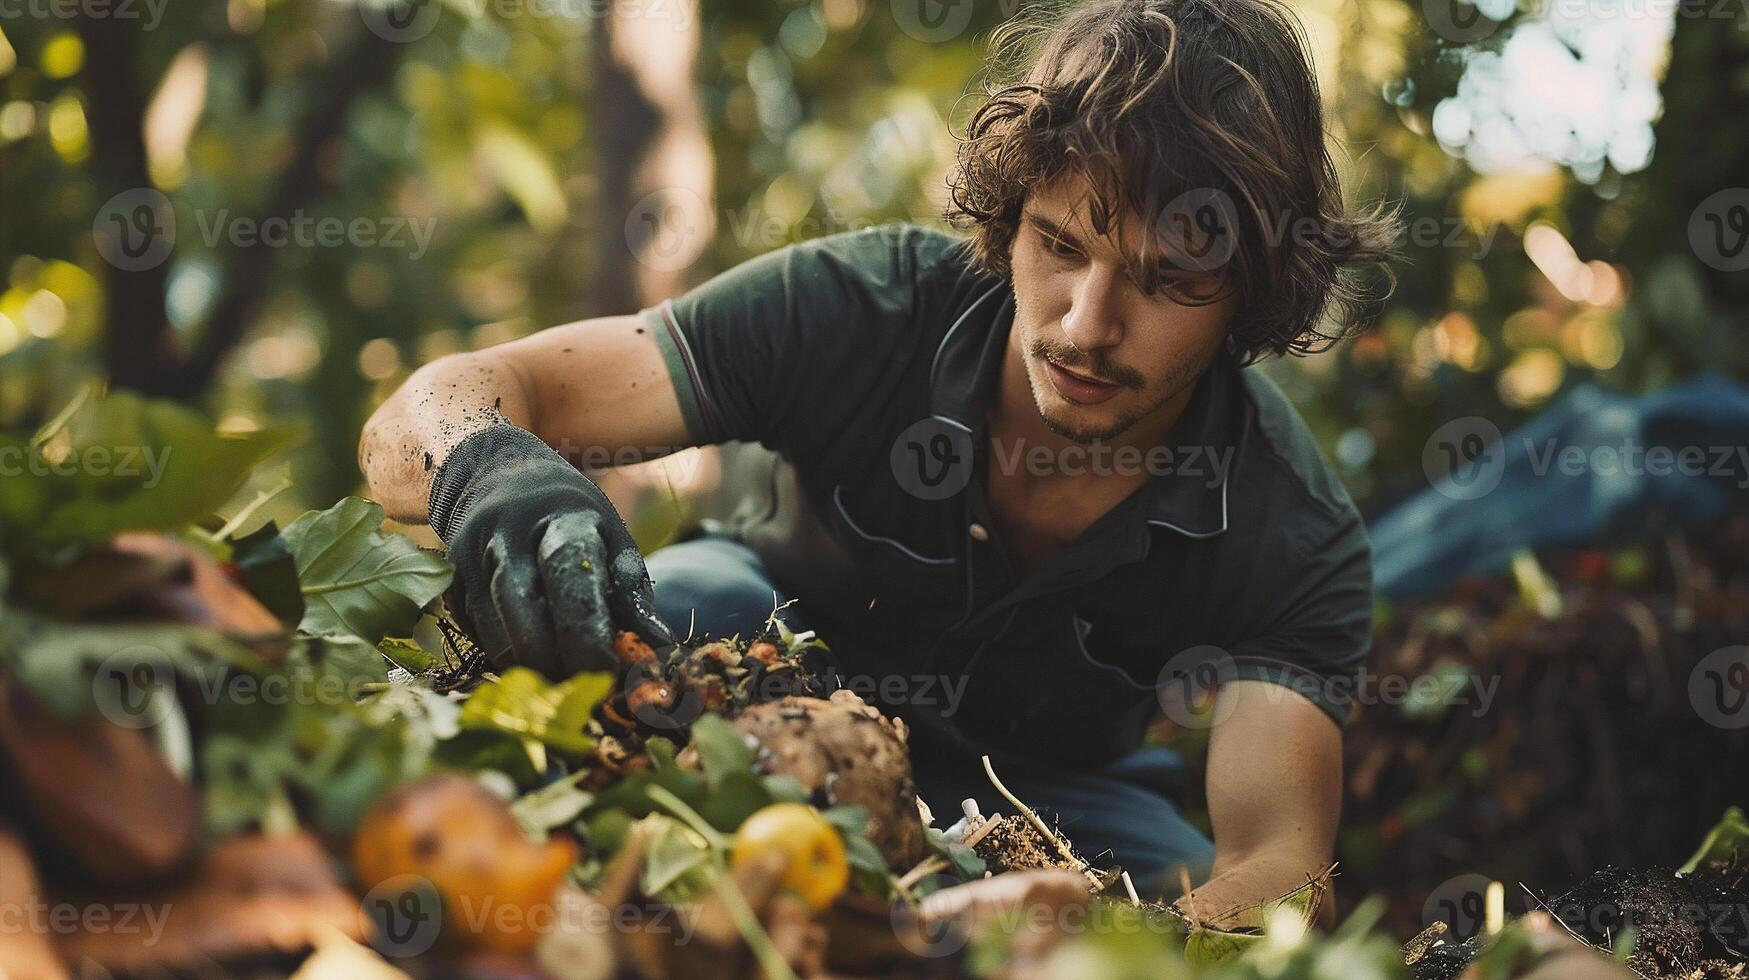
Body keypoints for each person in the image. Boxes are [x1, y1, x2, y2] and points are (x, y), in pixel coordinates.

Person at [359, 0, 1395, 915]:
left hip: (1043, 786)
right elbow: (433, 407)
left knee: (1172, 884)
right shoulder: (864, 308)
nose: (1085, 325)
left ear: (1252, 292)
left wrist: (1112, 933)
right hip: (749, 653)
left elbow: (1281, 864)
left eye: (1166, 282)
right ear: (1010, 218)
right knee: (658, 605)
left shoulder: (1292, 533)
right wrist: (490, 468)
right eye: (1061, 246)